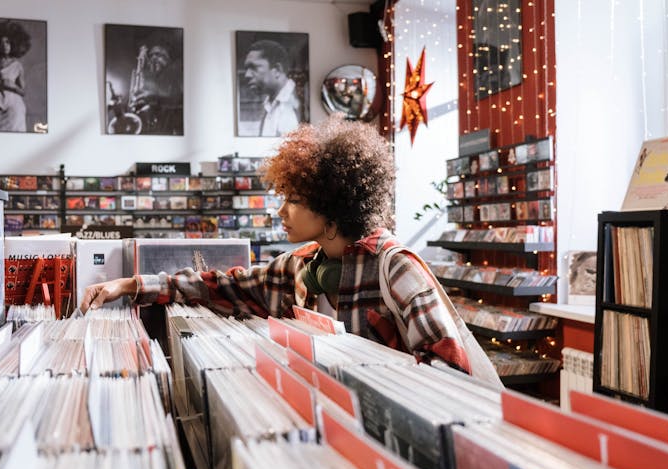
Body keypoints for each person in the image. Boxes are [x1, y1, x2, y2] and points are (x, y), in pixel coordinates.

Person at [81, 115, 479, 375]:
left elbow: (447, 373)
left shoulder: (397, 268)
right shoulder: (300, 266)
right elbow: (220, 285)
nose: (280, 211)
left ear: (330, 205)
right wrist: (130, 285)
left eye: (293, 199)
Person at [243, 39, 301, 137]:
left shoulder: (300, 103)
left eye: (253, 67)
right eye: (246, 69)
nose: (247, 75)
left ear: (277, 70)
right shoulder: (269, 104)